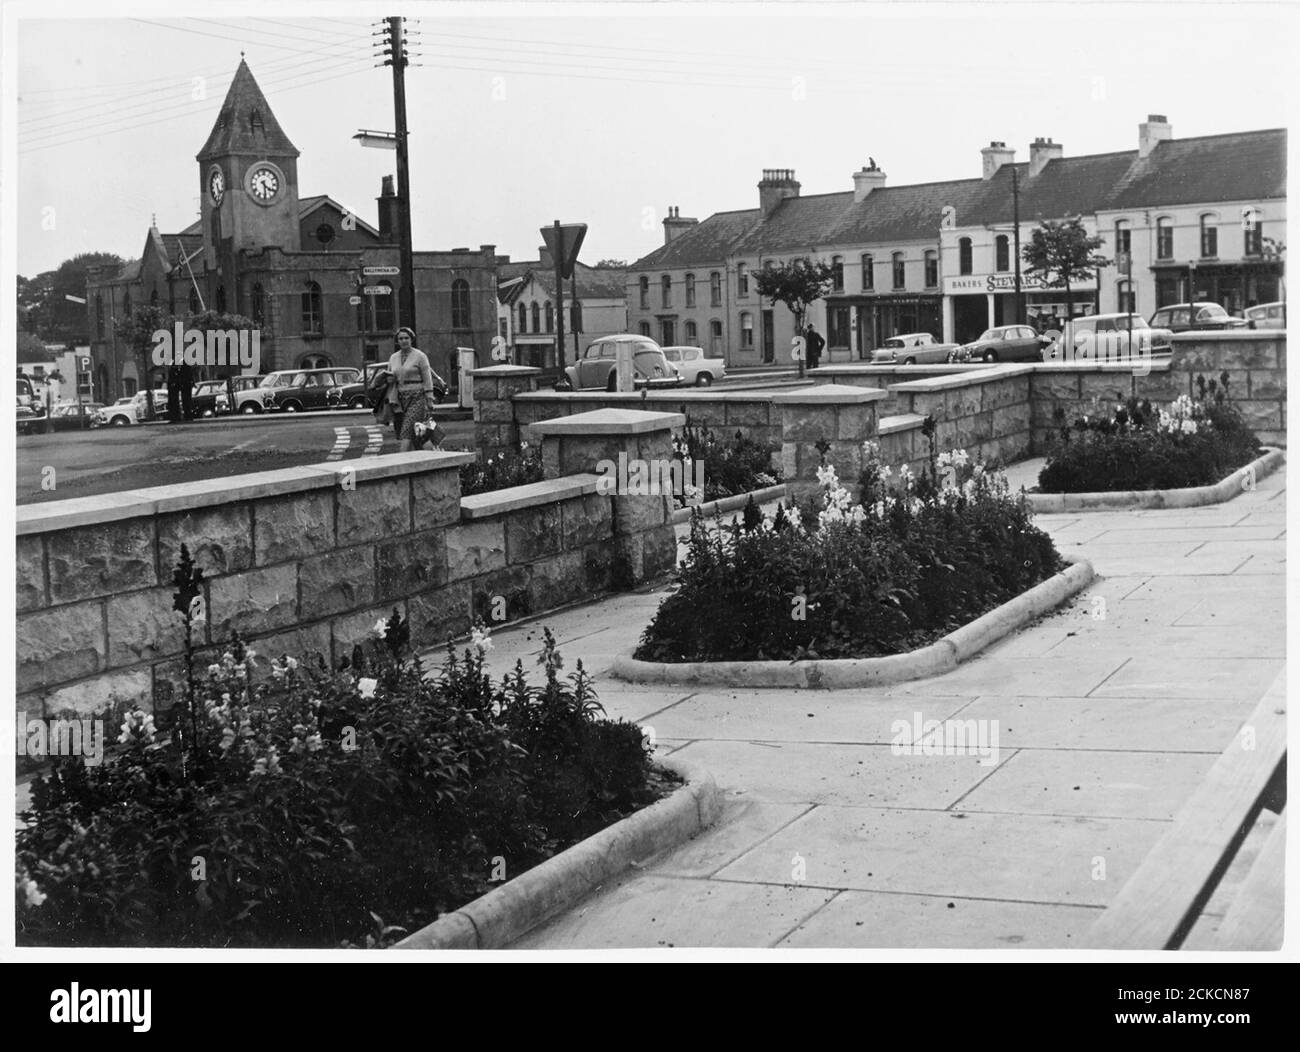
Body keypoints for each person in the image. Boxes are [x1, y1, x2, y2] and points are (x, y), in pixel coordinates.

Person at [386, 327, 445, 452]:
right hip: (401, 399)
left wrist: (429, 398)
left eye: (406, 338)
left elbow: (427, 377)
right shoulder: (393, 357)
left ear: (411, 339)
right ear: (397, 341)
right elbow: (390, 376)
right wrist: (388, 380)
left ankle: (402, 463)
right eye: (400, 338)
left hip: (417, 397)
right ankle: (432, 456)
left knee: (406, 431)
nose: (404, 341)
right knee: (418, 432)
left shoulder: (420, 356)